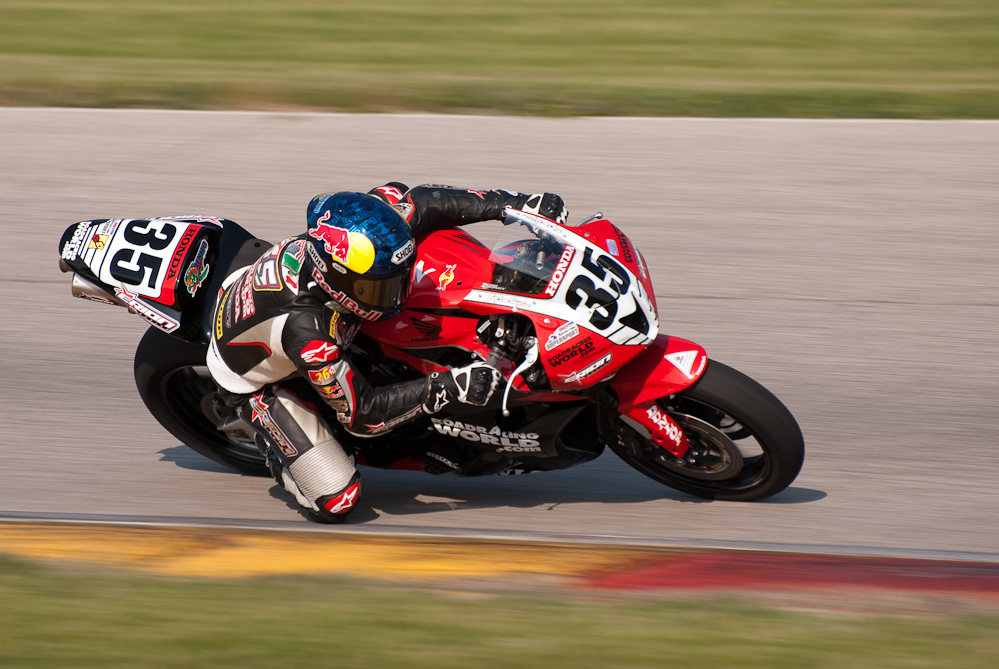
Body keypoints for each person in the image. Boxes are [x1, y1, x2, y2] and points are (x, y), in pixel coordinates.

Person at [206, 183, 568, 522]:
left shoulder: (366, 234)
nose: (395, 295)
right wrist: (446, 387)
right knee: (336, 499)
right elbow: (362, 416)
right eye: (377, 288)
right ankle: (274, 446)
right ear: (335, 277)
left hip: (281, 306)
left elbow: (426, 202)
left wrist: (515, 205)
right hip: (251, 378)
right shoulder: (309, 335)